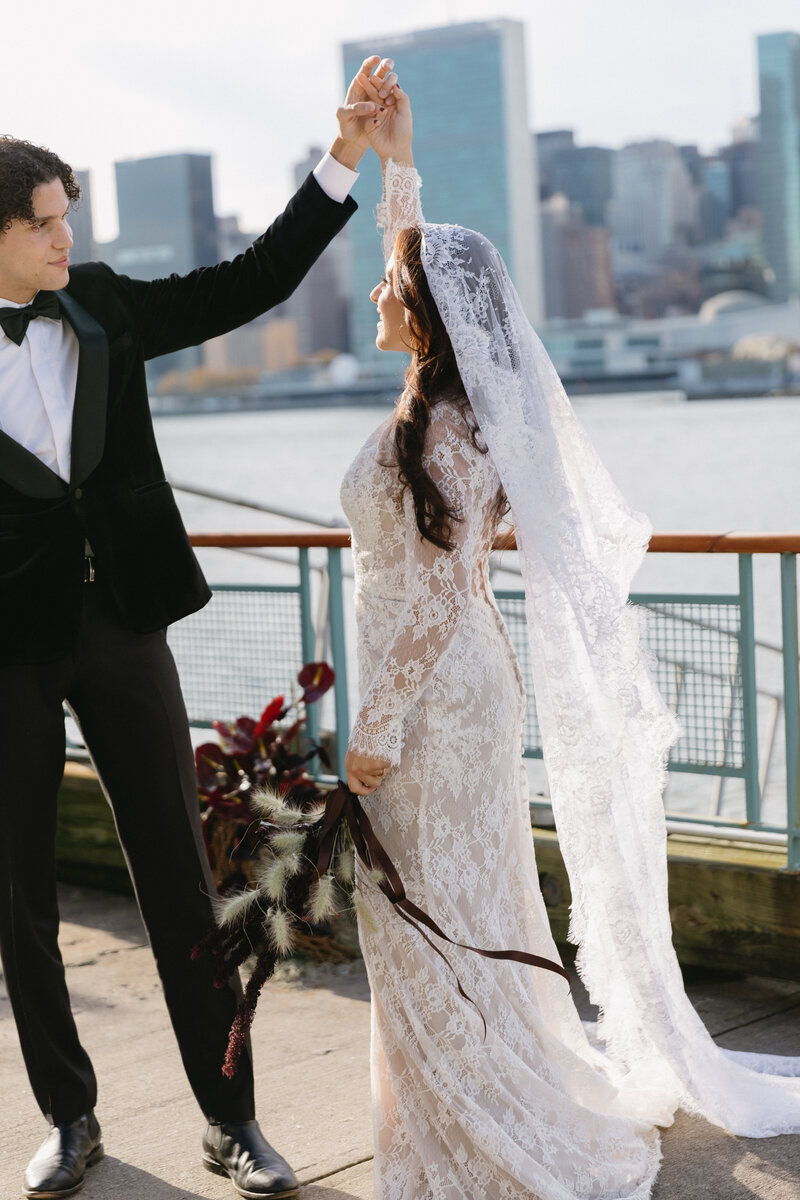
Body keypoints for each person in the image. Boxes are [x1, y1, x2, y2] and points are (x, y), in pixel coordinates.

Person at [341, 86, 800, 1198]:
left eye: (391, 285)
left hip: (437, 700)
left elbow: (438, 596)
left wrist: (375, 726)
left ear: (424, 314)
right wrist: (396, 158)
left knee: (429, 915)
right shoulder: (439, 401)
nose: (375, 288)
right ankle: (443, 1111)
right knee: (453, 905)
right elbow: (416, 256)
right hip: (443, 685)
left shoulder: (447, 431)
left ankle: (486, 1123)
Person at [0, 56, 400, 1200]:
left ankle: (232, 1122)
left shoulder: (102, 304)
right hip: (5, 650)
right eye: (42, 225)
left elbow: (249, 283)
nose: (64, 239)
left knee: (181, 885)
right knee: (17, 896)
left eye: (67, 218)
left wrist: (342, 157)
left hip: (123, 626)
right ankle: (68, 1116)